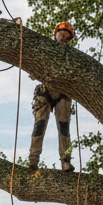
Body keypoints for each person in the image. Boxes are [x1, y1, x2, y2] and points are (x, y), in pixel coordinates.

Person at [29, 21, 75, 171]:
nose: (63, 38)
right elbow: (33, 67)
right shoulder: (46, 50)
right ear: (55, 34)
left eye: (66, 37)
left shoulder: (71, 56)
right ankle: (33, 159)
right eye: (61, 35)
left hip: (63, 94)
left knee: (64, 129)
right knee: (39, 125)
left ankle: (66, 160)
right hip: (45, 92)